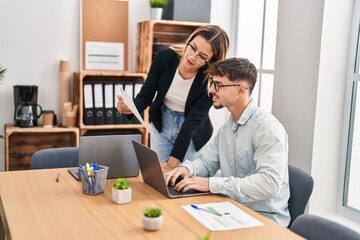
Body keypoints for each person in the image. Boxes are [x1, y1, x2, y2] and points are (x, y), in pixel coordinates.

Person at [164, 58, 291, 227]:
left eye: (218, 84)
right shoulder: (227, 128)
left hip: (265, 220)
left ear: (241, 89)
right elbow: (207, 162)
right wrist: (186, 169)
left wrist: (211, 184)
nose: (211, 90)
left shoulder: (267, 129)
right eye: (212, 83)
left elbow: (269, 184)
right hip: (233, 209)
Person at [117, 25, 230, 172]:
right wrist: (128, 107)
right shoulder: (165, 57)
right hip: (162, 123)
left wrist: (171, 164)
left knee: (186, 182)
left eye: (202, 57)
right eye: (192, 47)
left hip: (192, 133)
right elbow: (145, 96)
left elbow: (192, 122)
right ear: (189, 40)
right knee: (158, 179)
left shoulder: (209, 81)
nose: (192, 56)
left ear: (211, 63)